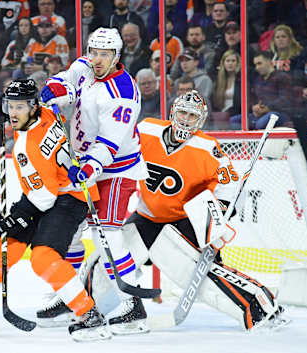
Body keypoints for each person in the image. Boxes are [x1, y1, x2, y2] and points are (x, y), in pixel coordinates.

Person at [0, 79, 110, 342]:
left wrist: (14, 218)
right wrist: (4, 109)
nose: (13, 113)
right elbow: (40, 192)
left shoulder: (27, 149)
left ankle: (89, 313)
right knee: (1, 251)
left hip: (68, 197)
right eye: (10, 107)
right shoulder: (47, 112)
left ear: (32, 106)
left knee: (43, 259)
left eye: (18, 108)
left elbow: (43, 198)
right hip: (50, 188)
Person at [126, 89, 287, 331]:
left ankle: (261, 307)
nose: (185, 120)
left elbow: (229, 185)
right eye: (182, 113)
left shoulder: (207, 148)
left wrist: (217, 215)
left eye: (192, 116)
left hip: (182, 222)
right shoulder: (147, 129)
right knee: (113, 258)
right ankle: (94, 307)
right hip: (146, 216)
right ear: (172, 112)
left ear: (200, 120)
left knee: (193, 273)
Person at [39, 27, 149, 334]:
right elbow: (67, 77)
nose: (97, 60)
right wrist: (55, 88)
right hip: (83, 166)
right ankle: (70, 295)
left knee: (108, 235)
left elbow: (108, 146)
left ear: (117, 56)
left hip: (115, 172)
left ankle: (132, 304)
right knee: (71, 233)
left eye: (104, 54)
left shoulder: (123, 94)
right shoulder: (86, 65)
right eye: (94, 53)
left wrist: (87, 170)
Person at [230, 50, 291, 130]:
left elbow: (285, 99)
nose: (257, 68)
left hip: (278, 113)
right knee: (234, 120)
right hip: (260, 114)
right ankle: (246, 142)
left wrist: (267, 108)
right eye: (255, 65)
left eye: (259, 63)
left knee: (261, 123)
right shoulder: (258, 79)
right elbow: (253, 97)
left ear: (269, 61)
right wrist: (254, 107)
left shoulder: (282, 77)